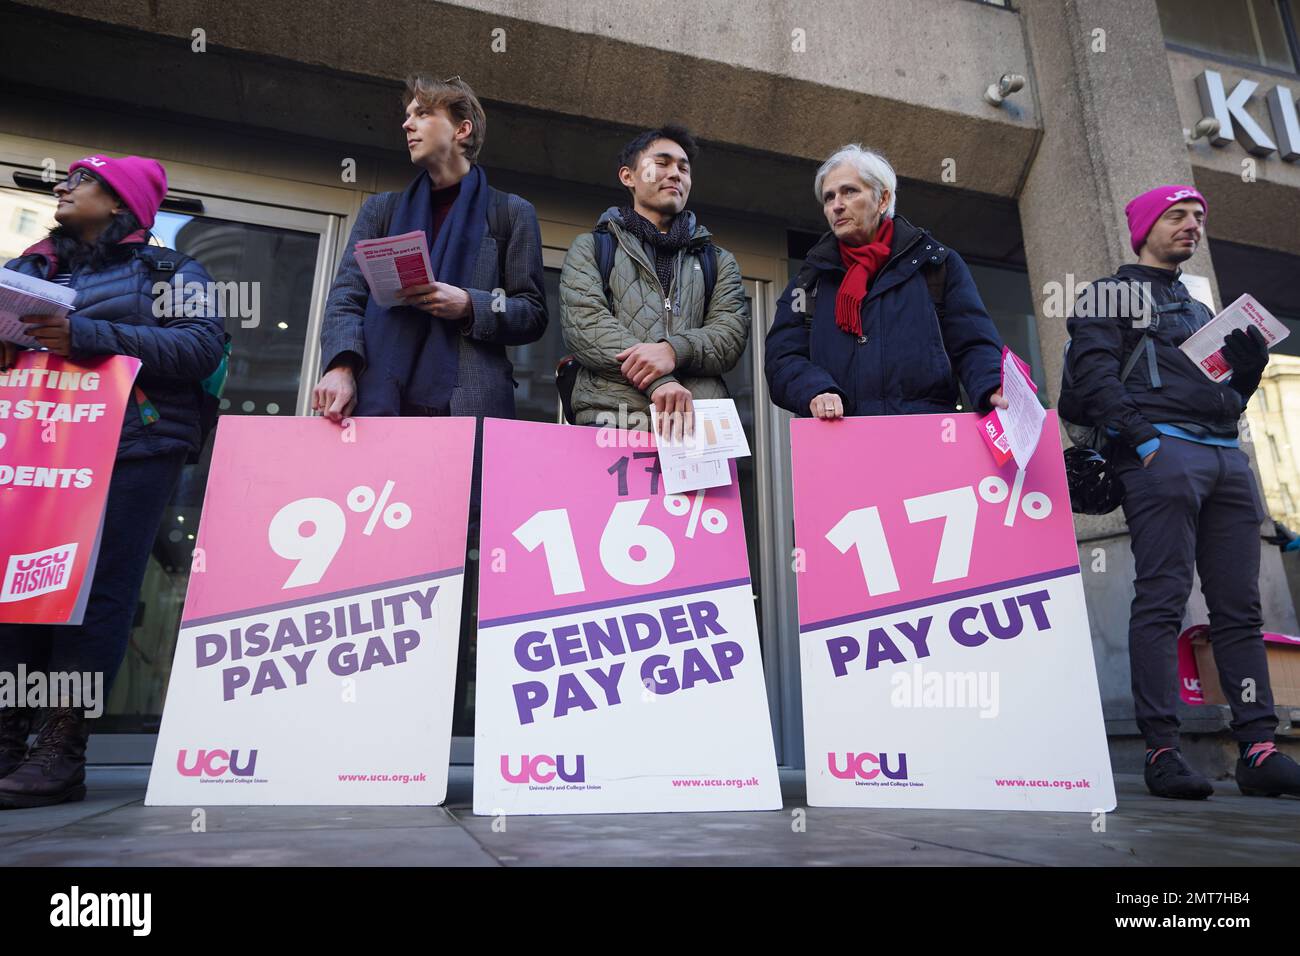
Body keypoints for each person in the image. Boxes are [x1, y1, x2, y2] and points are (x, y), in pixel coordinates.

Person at [311, 74, 547, 728]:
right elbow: (347, 298)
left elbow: (531, 312)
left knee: (462, 570)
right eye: (406, 115)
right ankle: (376, 721)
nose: (409, 125)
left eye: (423, 114)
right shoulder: (381, 210)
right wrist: (341, 364)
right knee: (382, 566)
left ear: (462, 128)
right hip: (385, 407)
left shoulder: (509, 212)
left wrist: (470, 304)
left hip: (467, 412)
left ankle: (450, 723)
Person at [0, 155, 226, 809]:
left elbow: (201, 348)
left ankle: (62, 750)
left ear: (121, 200)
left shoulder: (171, 270)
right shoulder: (27, 267)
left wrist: (83, 335)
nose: (64, 187)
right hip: (32, 446)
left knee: (95, 600)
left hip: (132, 446)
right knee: (16, 592)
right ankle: (10, 738)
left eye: (82, 180)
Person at [1065, 183, 1300, 799]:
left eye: (1198, 217)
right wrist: (1144, 440)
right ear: (1144, 227)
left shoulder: (1199, 309)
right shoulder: (1108, 293)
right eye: (1177, 216)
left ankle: (1258, 747)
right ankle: (1163, 752)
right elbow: (1090, 377)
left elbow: (1224, 395)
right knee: (1163, 600)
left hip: (1226, 456)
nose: (1192, 225)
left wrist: (1247, 377)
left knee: (1239, 609)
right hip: (1163, 456)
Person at [765, 144, 1007, 420]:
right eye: (828, 197)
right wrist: (815, 389)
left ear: (882, 199)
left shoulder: (937, 265)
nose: (836, 205)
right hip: (840, 444)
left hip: (927, 439)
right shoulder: (809, 280)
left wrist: (991, 384)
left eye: (849, 191)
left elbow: (973, 342)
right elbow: (781, 359)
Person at [559, 124, 750, 437]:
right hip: (612, 421)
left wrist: (674, 351)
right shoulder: (593, 247)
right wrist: (660, 380)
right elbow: (586, 324)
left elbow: (730, 336)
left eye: (683, 168)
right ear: (628, 176)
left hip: (699, 430)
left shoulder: (717, 260)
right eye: (662, 163)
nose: (675, 173)